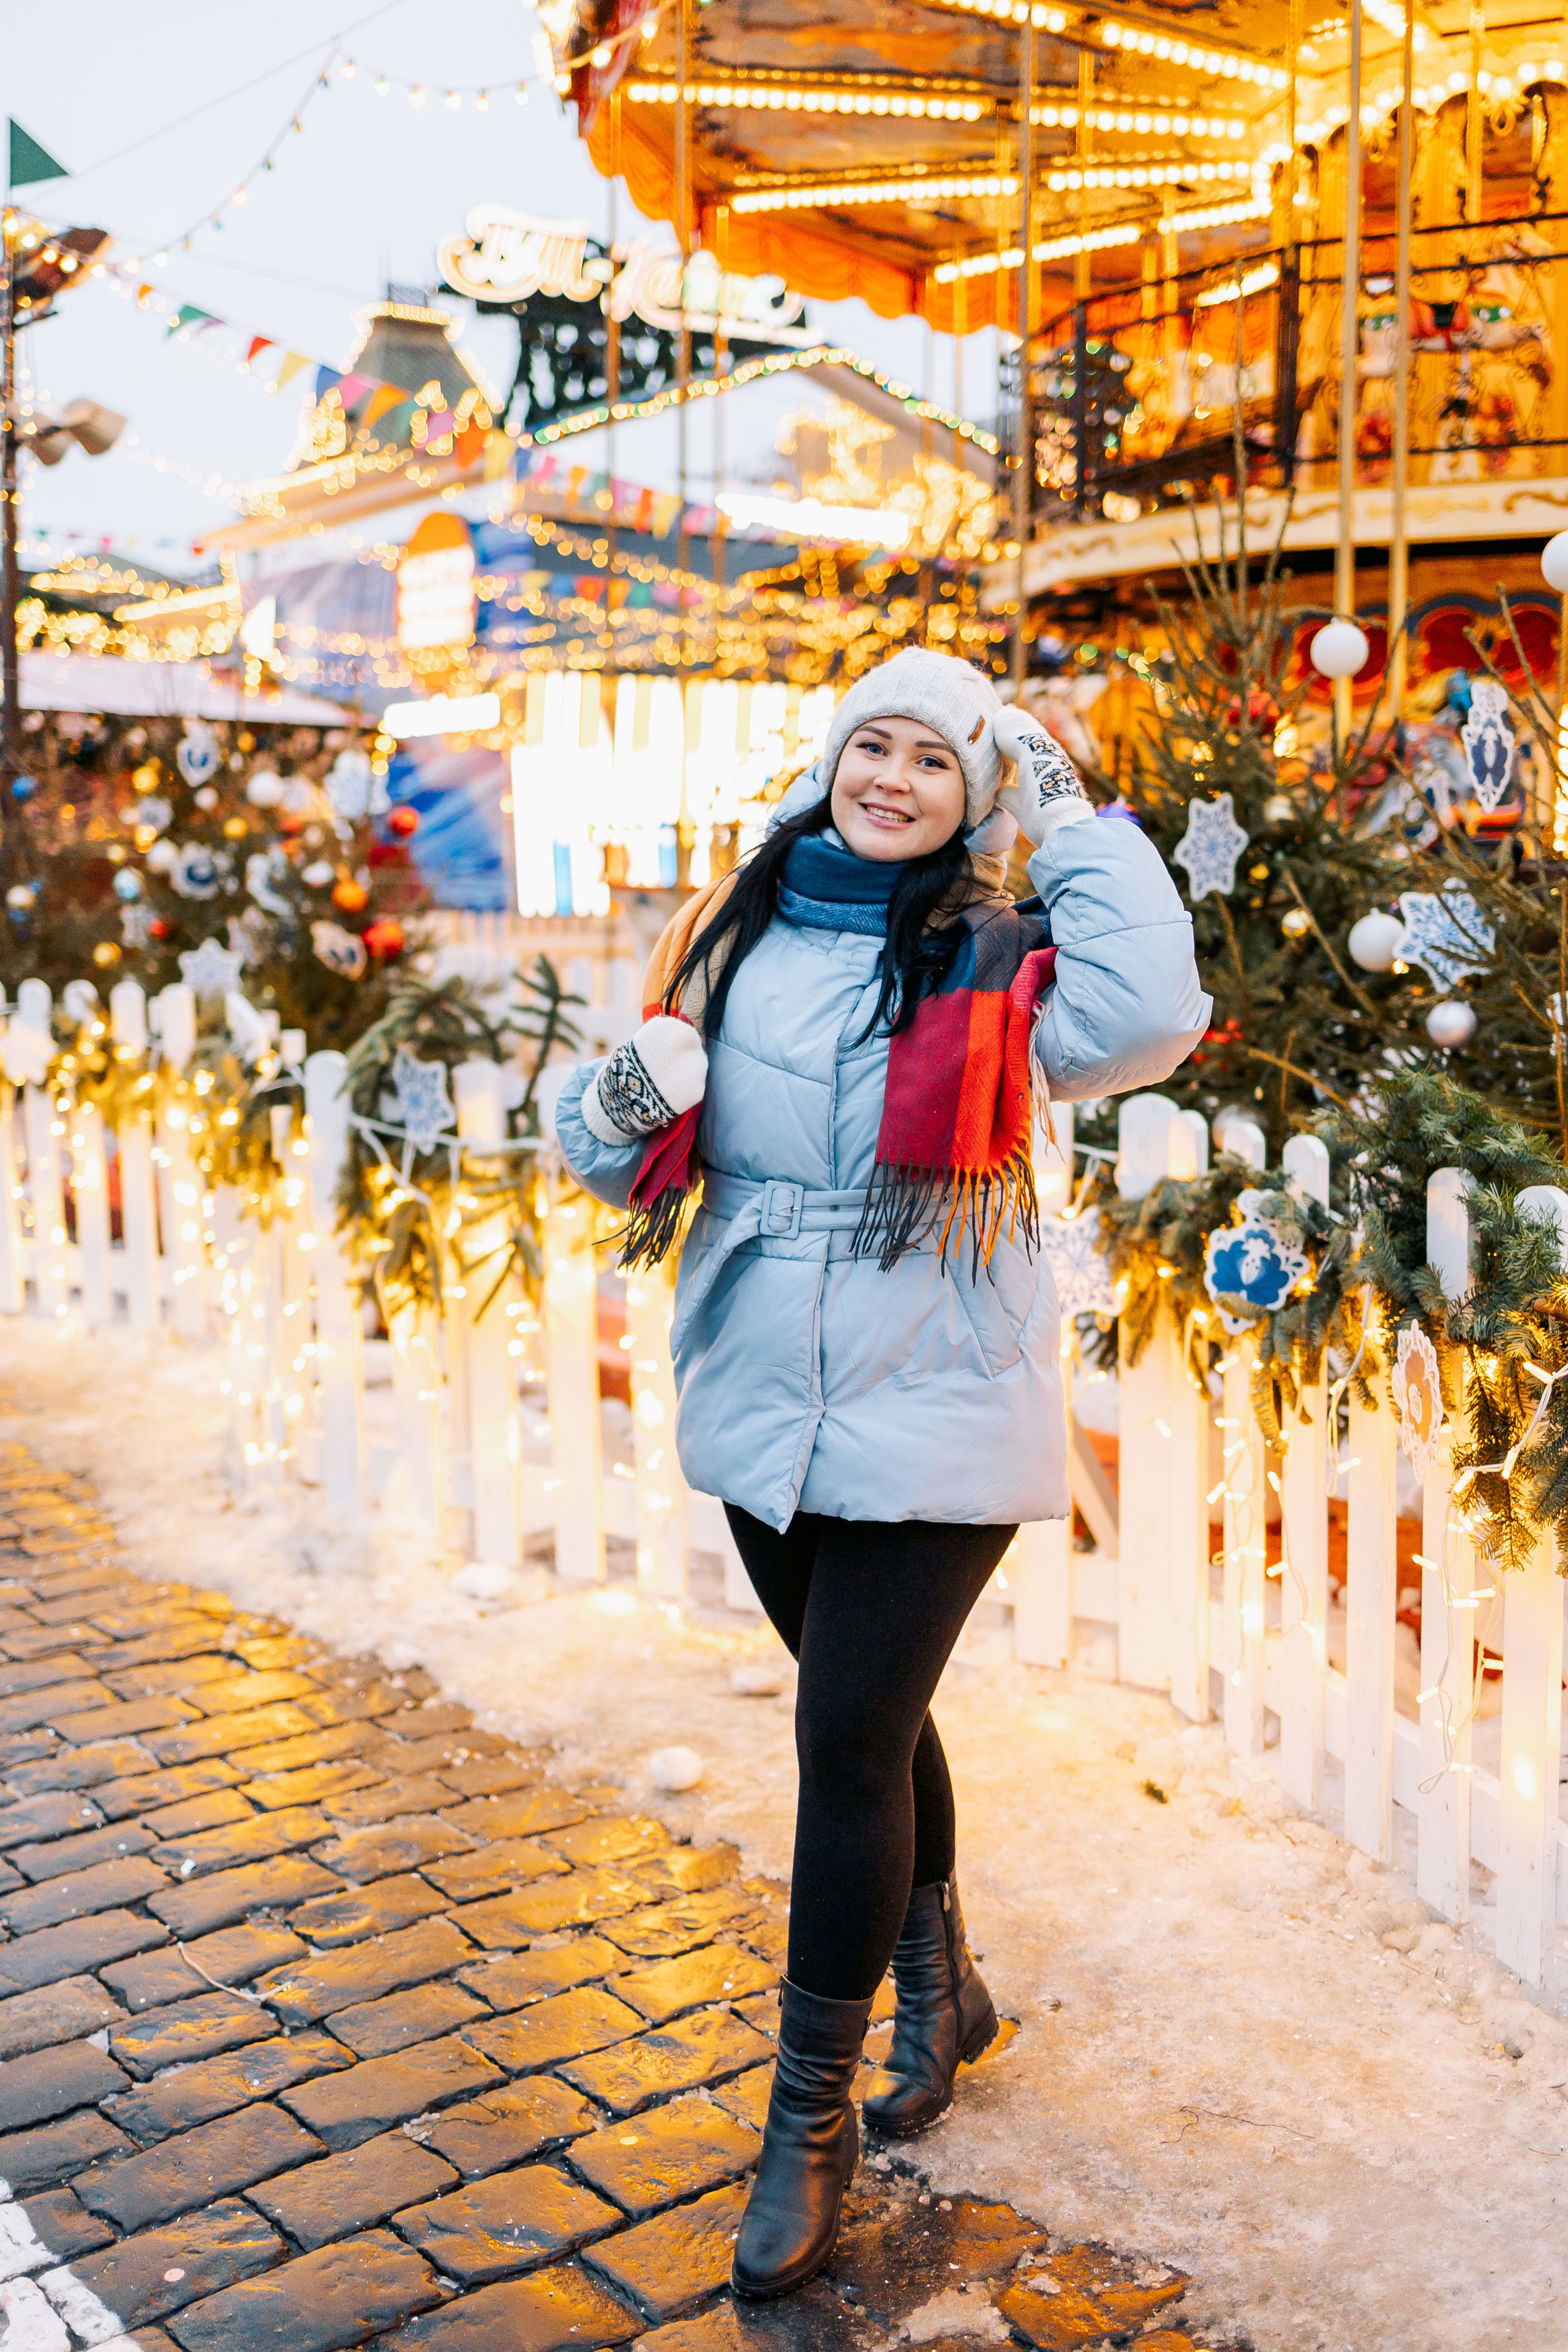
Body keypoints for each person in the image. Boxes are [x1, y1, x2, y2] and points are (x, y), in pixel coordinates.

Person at [555, 648, 1208, 2299]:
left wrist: (1059, 803)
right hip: (763, 1377)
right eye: (874, 746)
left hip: (944, 1386)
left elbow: (1153, 1015)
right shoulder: (740, 929)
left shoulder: (1003, 955)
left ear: (973, 797)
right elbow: (597, 1132)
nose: (895, 776)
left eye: (936, 759)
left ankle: (807, 2125)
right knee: (881, 1717)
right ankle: (946, 1981)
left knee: (840, 1735)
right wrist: (634, 1089)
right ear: (832, 765)